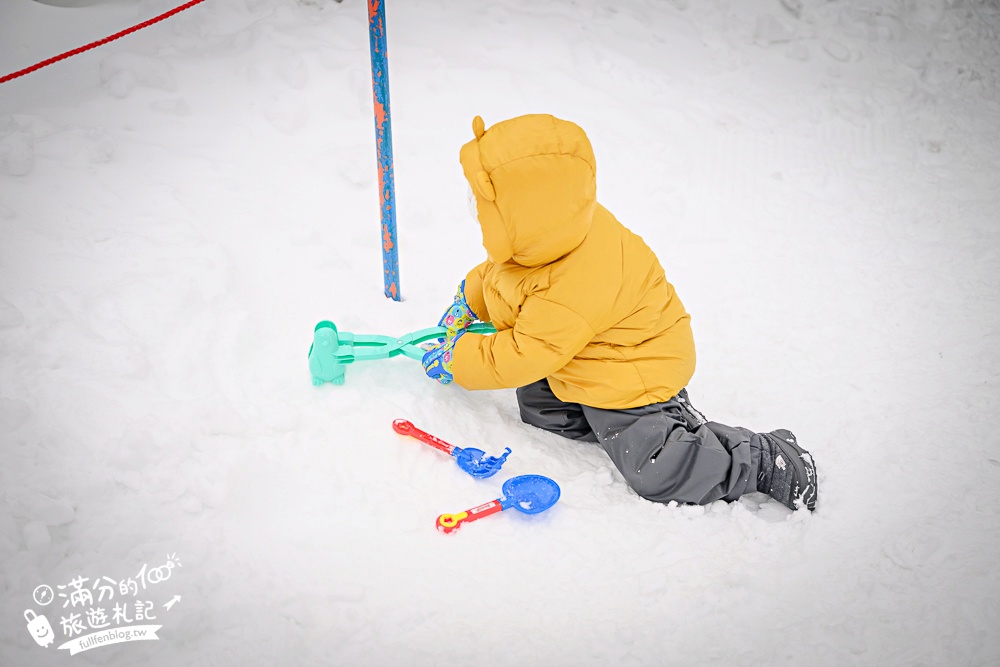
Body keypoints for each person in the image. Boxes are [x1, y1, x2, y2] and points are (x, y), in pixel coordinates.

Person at [421, 114, 817, 511]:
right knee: (541, 407)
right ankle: (611, 420)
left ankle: (761, 458)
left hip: (633, 366)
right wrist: (471, 299)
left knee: (657, 471)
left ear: (527, 213)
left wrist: (460, 360)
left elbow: (526, 352)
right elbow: (504, 276)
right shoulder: (552, 234)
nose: (474, 210)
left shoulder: (572, 281)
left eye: (486, 204)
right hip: (592, 351)